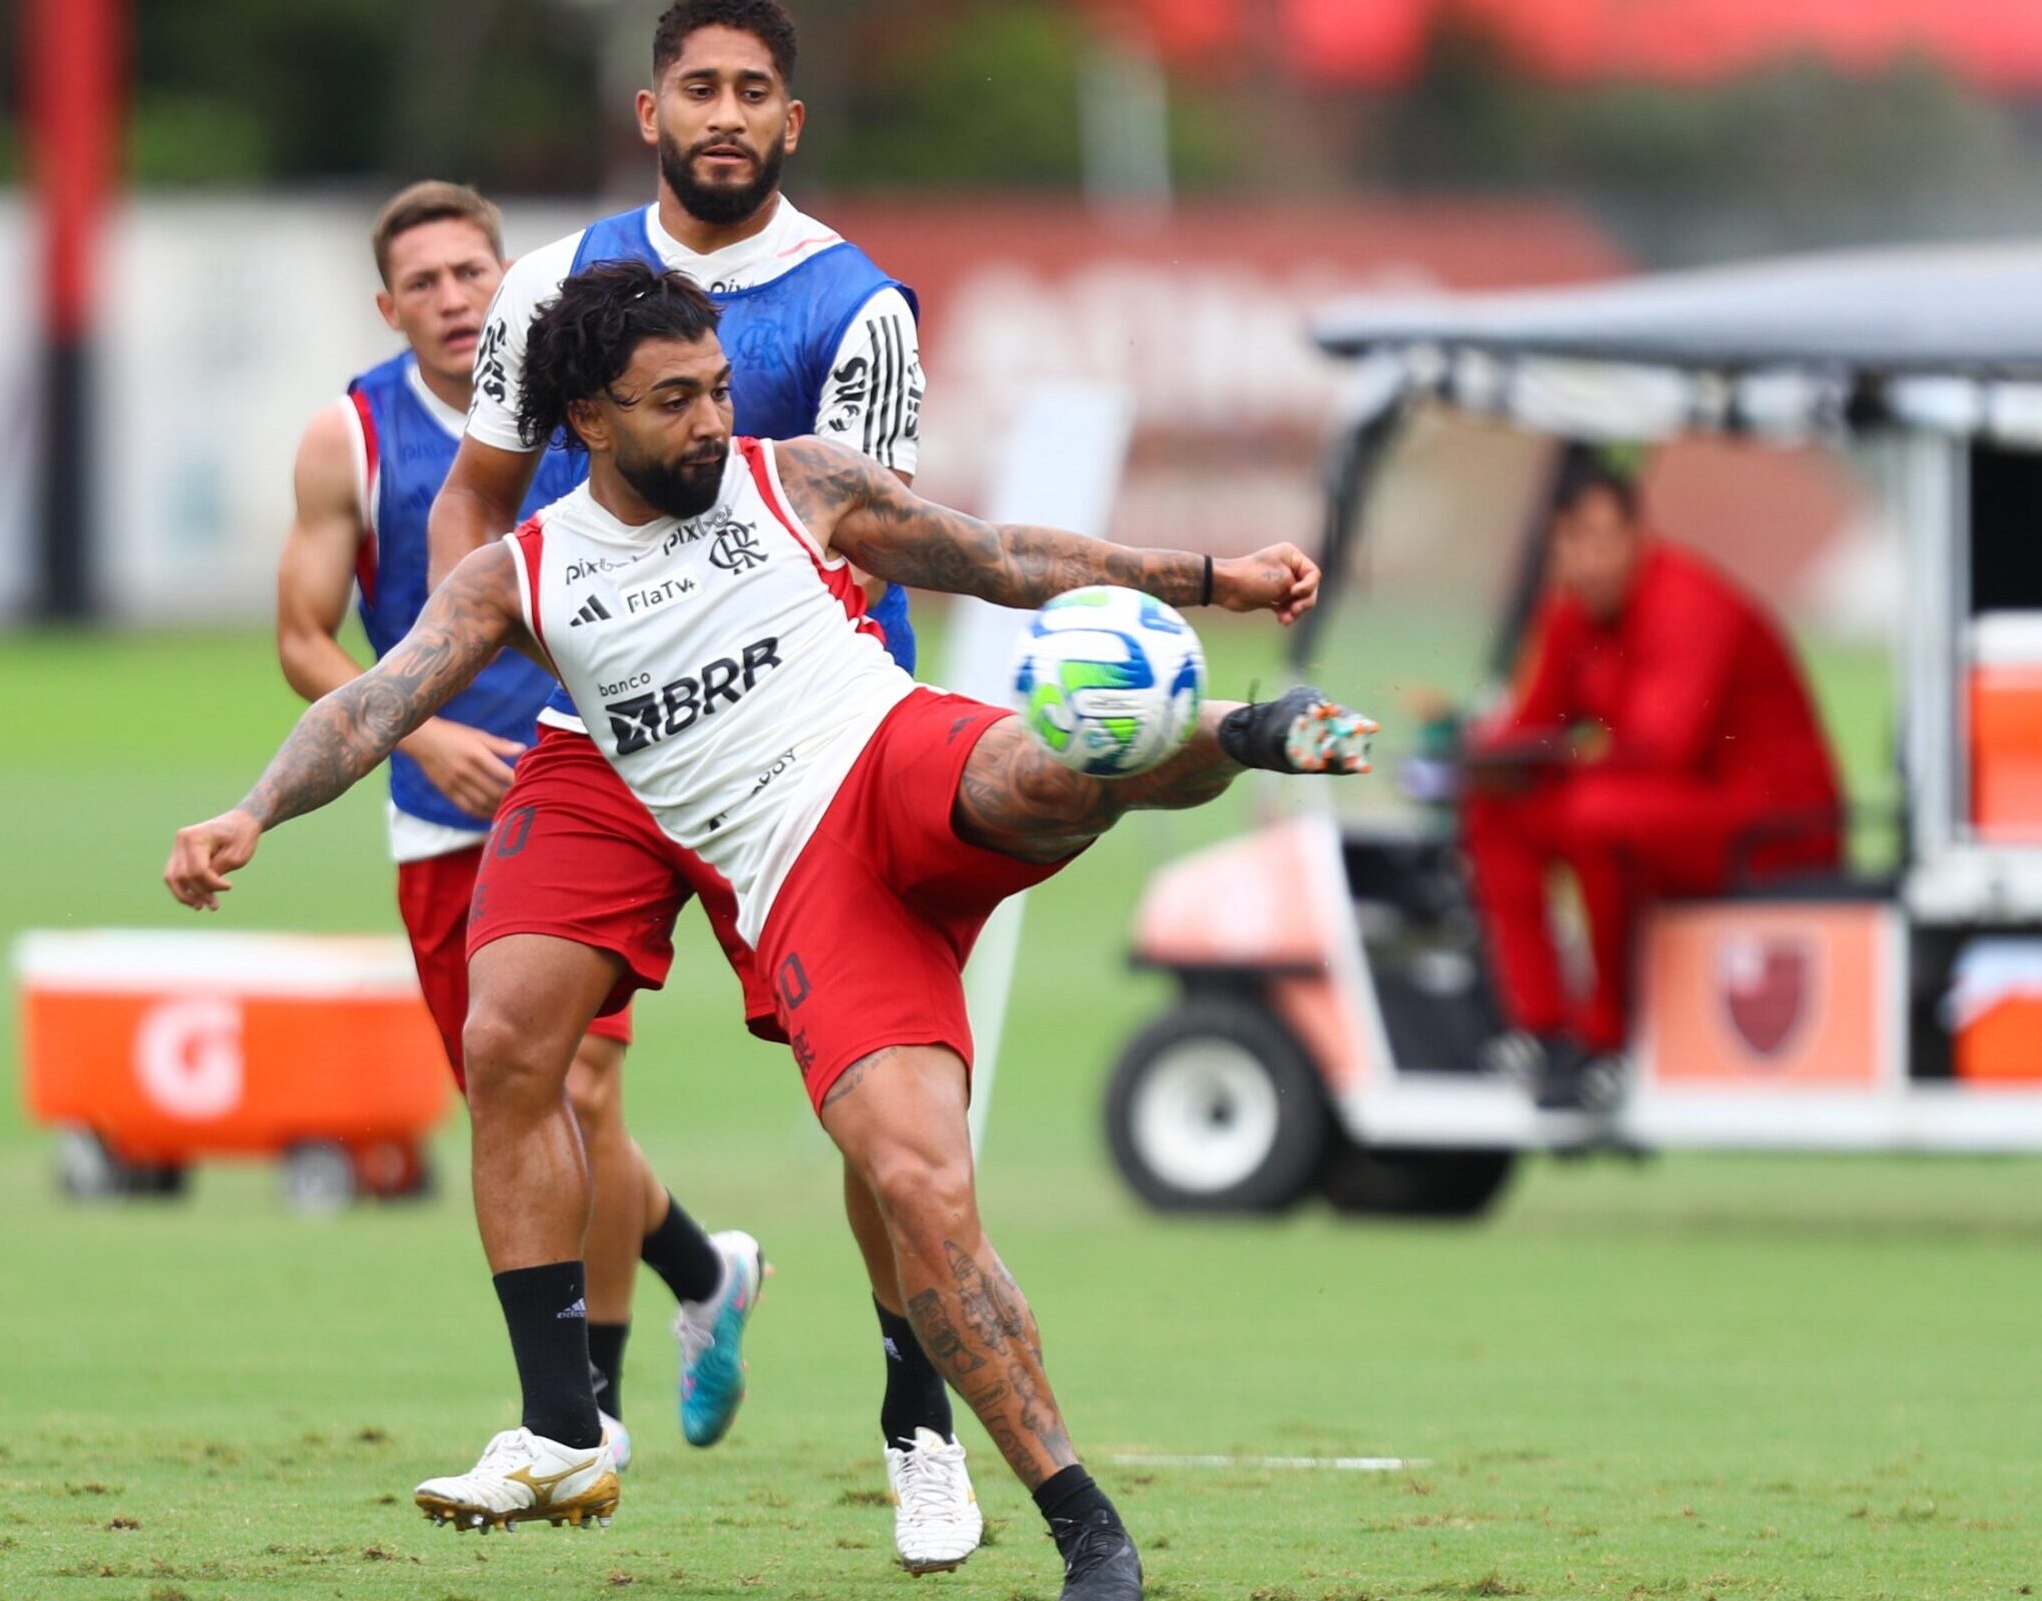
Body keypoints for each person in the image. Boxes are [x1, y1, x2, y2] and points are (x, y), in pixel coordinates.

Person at [162, 262, 1378, 1600]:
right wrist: (249, 813)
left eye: (718, 389)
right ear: (587, 418)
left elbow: (1008, 558)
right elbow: (368, 708)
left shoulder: (792, 478)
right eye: (672, 401)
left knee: (1040, 766)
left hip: (890, 751)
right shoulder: (526, 575)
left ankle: (1245, 731)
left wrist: (1209, 576)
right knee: (919, 1184)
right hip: (799, 880)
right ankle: (1089, 1530)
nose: (707, 422)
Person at [427, 0, 978, 1569]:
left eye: (754, 91)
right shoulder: (551, 288)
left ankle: (921, 1433)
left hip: (802, 751)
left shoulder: (857, 307)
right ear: (648, 107)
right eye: (698, 87)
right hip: (603, 744)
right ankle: (563, 1423)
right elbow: (475, 508)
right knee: (524, 1050)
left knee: (884, 1122)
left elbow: (863, 551)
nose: (724, 112)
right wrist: (490, 663)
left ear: (791, 122)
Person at [271, 179, 750, 1465]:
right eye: (421, 281)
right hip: (437, 815)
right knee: (520, 1103)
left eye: (469, 271)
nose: (450, 298)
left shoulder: (587, 410)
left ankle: (586, 1405)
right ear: (389, 304)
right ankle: (704, 1269)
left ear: (506, 278)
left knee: (581, 1078)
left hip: (595, 797)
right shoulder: (351, 436)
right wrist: (423, 734)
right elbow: (303, 638)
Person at [1462, 445, 1843, 1110]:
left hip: (1775, 822)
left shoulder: (1690, 602)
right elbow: (1532, 726)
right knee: (1495, 805)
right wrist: (1475, 753)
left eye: (1601, 540)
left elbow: (1662, 745)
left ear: (1640, 535)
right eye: (1570, 544)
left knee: (1599, 815)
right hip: (1671, 808)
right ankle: (1544, 1029)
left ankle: (1607, 1038)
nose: (1588, 562)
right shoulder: (1571, 611)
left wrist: (1546, 753)